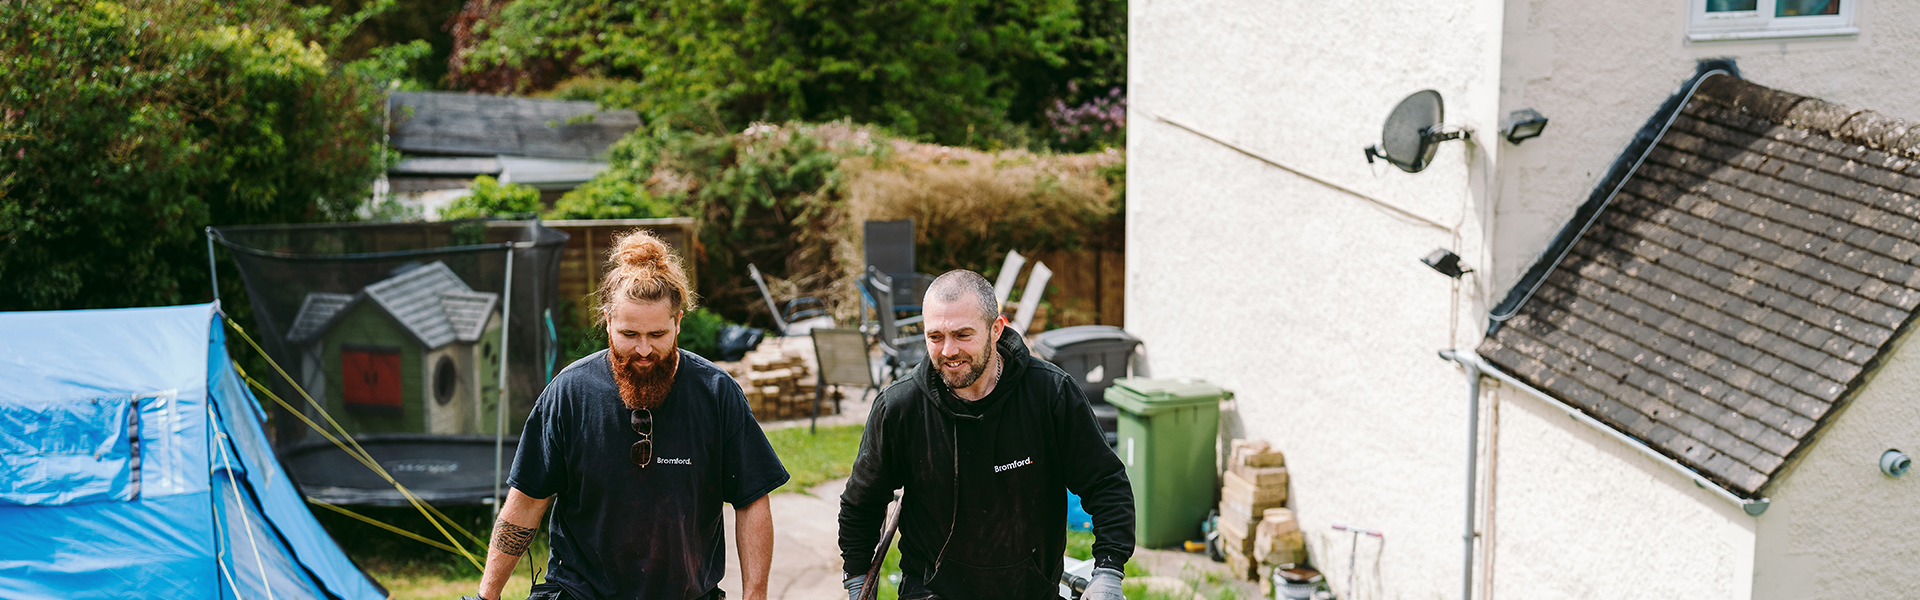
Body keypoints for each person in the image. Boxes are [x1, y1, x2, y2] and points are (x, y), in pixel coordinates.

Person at [467, 230, 789, 600]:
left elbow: (751, 500)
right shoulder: (569, 394)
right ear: (607, 320)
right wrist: (486, 596)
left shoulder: (716, 393)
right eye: (629, 333)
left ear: (678, 322)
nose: (644, 349)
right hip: (579, 592)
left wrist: (755, 595)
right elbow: (525, 503)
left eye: (657, 333)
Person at [838, 269, 1134, 600]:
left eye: (963, 334)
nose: (948, 350)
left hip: (1029, 592)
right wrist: (856, 582)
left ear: (996, 329)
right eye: (935, 337)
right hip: (931, 592)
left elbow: (1106, 483)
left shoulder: (1050, 395)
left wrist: (1107, 571)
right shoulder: (901, 407)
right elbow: (861, 504)